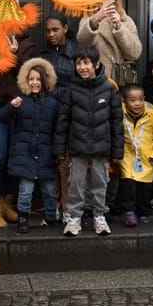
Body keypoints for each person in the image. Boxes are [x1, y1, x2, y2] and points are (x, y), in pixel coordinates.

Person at [54, 45, 123, 237]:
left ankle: (99, 216)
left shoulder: (109, 88)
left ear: (96, 64)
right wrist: (60, 149)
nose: (82, 67)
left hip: (102, 148)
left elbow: (117, 122)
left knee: (100, 183)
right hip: (77, 147)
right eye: (78, 63)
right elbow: (63, 121)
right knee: (76, 183)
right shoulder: (71, 90)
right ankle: (74, 218)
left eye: (86, 63)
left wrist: (117, 151)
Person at [0, 57, 60, 233]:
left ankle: (51, 217)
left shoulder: (53, 103)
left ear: (45, 81)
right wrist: (11, 107)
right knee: (25, 189)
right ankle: (23, 218)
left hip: (45, 152)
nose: (34, 83)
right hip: (24, 152)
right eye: (31, 79)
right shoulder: (20, 100)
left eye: (38, 79)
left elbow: (57, 128)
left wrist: (57, 151)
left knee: (49, 189)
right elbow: (2, 118)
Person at [0, 32, 36, 228]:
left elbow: (31, 74)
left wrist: (14, 55)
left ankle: (7, 203)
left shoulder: (26, 45)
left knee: (15, 156)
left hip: (17, 105)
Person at [40, 11, 78, 222]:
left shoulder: (76, 52)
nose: (51, 34)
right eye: (48, 31)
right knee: (51, 159)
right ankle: (52, 204)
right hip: (48, 111)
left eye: (55, 29)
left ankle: (68, 205)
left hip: (69, 112)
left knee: (67, 161)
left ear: (65, 28)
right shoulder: (43, 54)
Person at [115, 83, 153, 227]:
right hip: (127, 156)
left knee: (144, 188)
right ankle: (129, 212)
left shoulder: (152, 114)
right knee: (128, 184)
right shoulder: (120, 113)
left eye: (140, 99)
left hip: (147, 157)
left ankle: (143, 211)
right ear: (124, 101)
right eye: (132, 100)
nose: (137, 103)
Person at [76, 0, 142, 87]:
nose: (105, 4)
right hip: (98, 78)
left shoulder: (126, 21)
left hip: (121, 80)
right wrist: (95, 20)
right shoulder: (88, 19)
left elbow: (134, 54)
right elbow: (83, 44)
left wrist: (119, 27)